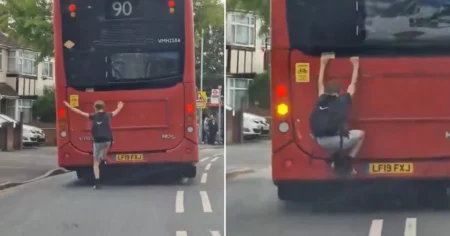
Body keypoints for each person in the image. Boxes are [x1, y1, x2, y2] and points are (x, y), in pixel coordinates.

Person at [309, 54, 365, 175]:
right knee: (361, 134)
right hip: (337, 141)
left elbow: (320, 84)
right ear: (339, 92)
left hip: (321, 141)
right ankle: (348, 161)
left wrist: (322, 64)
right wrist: (355, 65)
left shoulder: (322, 99)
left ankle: (335, 160)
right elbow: (353, 84)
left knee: (328, 139)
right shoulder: (343, 100)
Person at [64, 100, 124, 189]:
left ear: (95, 108)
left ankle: (97, 183)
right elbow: (117, 111)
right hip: (108, 140)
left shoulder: (92, 116)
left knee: (95, 163)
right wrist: (120, 106)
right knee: (106, 147)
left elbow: (80, 113)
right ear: (103, 107)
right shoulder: (108, 115)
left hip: (97, 141)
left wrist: (69, 106)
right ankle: (104, 157)